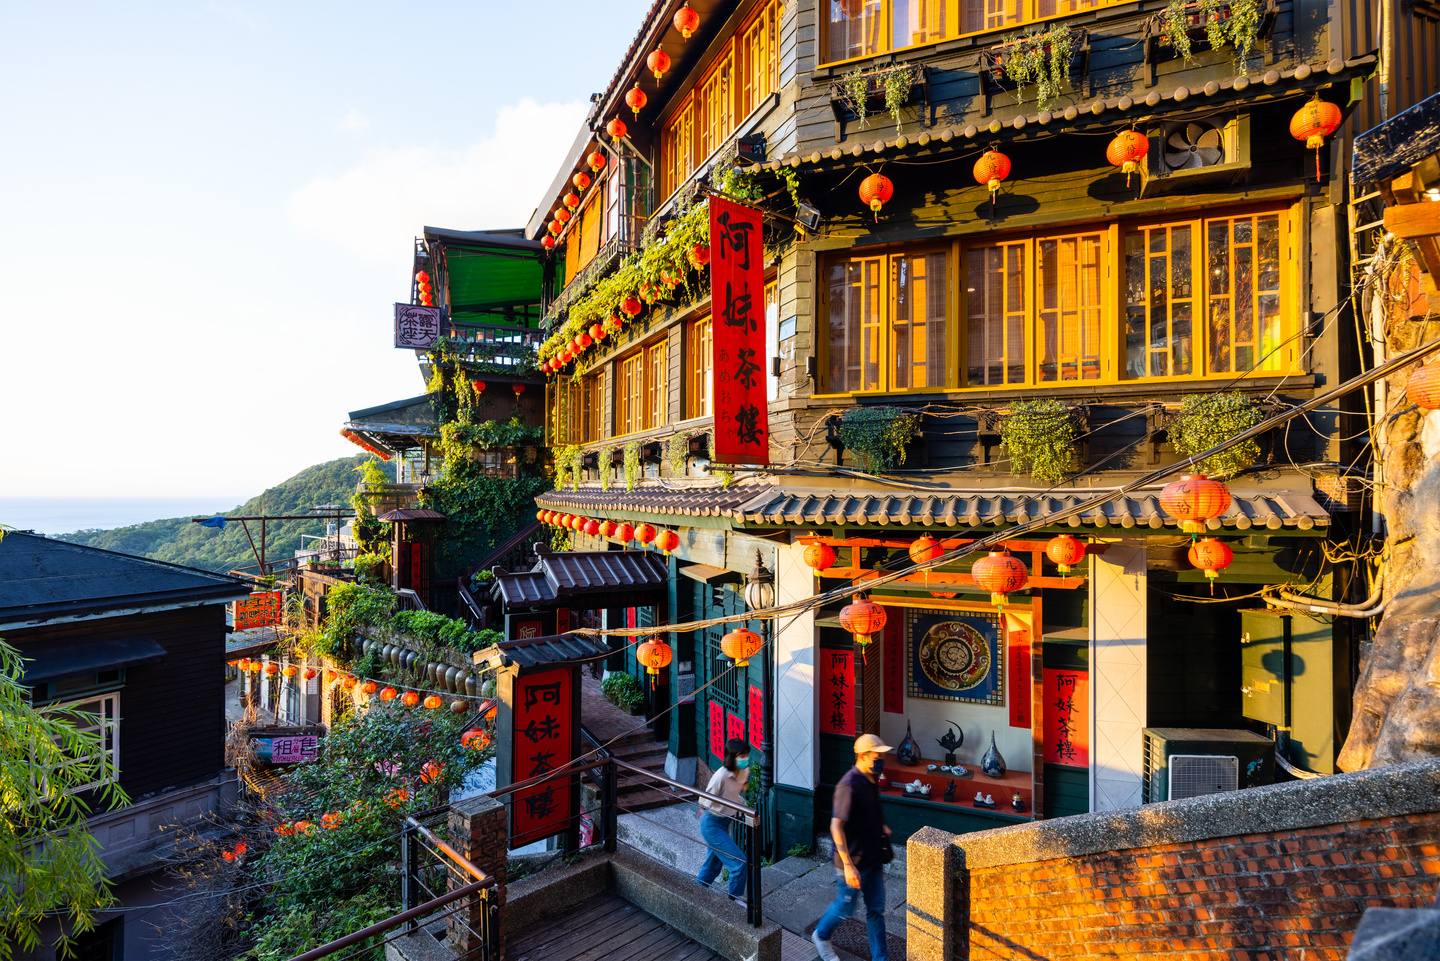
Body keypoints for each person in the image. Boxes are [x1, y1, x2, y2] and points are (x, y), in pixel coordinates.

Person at [812, 733, 894, 961]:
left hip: (872, 858)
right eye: (877, 755)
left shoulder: (870, 779)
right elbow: (836, 827)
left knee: (876, 910)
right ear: (863, 756)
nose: (881, 760)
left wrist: (882, 826)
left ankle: (881, 958)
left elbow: (867, 811)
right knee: (845, 907)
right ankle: (821, 934)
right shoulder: (848, 785)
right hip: (851, 862)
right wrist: (848, 866)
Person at [695, 738, 751, 901]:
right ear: (732, 757)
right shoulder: (721, 775)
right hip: (712, 822)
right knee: (739, 863)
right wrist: (702, 809)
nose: (745, 759)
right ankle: (732, 902)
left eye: (747, 755)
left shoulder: (745, 771)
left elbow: (742, 788)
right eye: (741, 756)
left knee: (713, 865)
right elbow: (705, 797)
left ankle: (696, 894)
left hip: (725, 821)